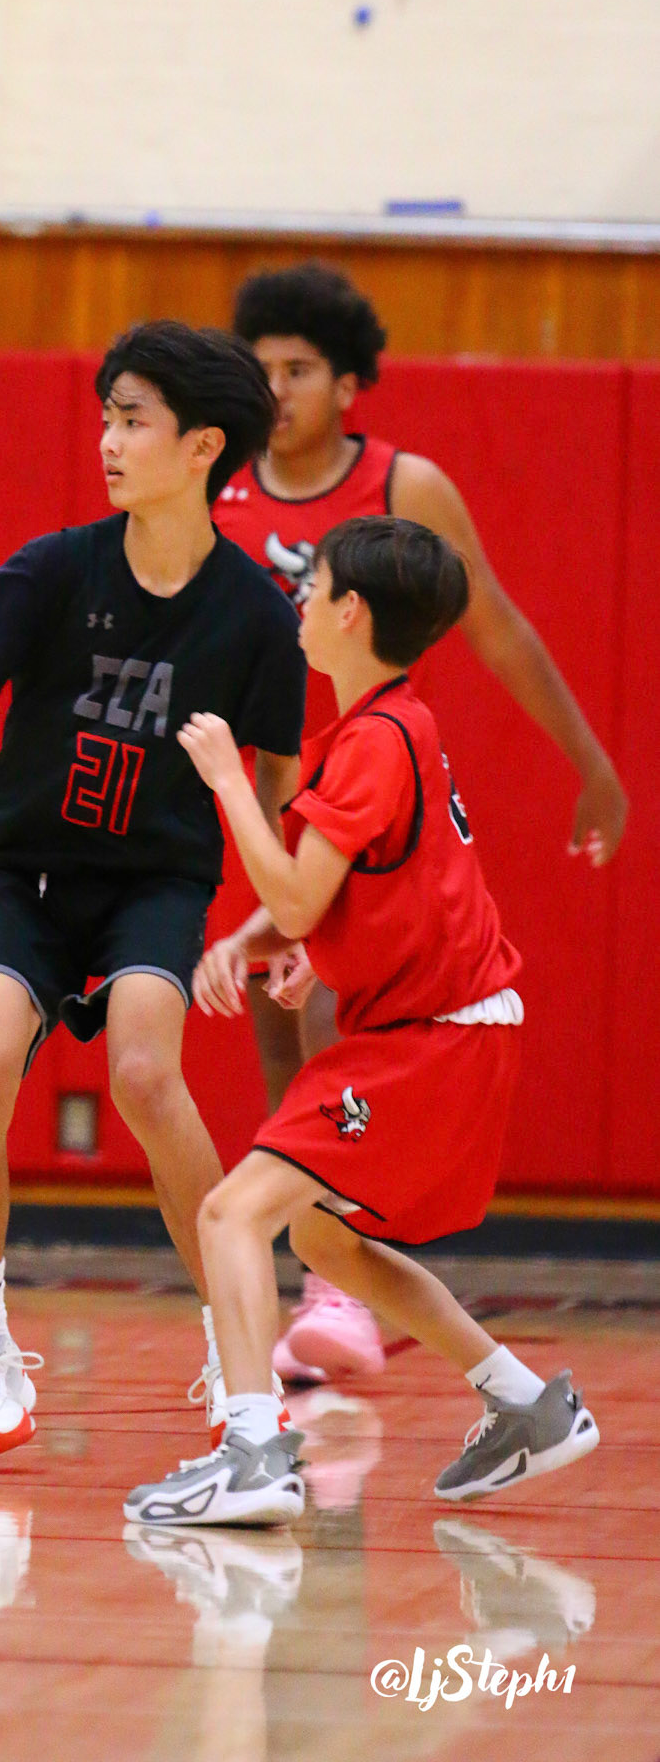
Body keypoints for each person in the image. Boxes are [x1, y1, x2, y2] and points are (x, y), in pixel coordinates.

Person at [125, 517, 599, 1528]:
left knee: (230, 1213)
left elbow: (302, 895)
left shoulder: (374, 743)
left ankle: (253, 1451)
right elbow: (361, 886)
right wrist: (262, 940)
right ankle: (523, 1400)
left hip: (434, 1036)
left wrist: (226, 782)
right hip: (453, 1028)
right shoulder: (392, 724)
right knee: (322, 1237)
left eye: (314, 586)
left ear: (350, 612)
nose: (299, 600)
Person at [0, 323, 307, 1463]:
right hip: (23, 872)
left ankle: (236, 1353)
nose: (108, 442)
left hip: (155, 880)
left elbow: (281, 785)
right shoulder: (51, 570)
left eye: (133, 420)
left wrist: (286, 910)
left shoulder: (257, 616)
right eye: (106, 418)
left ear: (203, 447)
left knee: (144, 1072)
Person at [212, 261, 627, 1387]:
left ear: (348, 383)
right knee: (280, 1014)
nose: (276, 388)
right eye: (262, 368)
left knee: (340, 1003)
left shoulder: (405, 483)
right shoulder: (222, 484)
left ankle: (335, 1285)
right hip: (273, 777)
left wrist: (590, 762)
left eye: (299, 368)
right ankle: (324, 1270)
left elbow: (497, 626)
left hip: (365, 780)